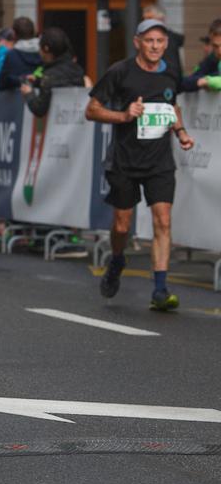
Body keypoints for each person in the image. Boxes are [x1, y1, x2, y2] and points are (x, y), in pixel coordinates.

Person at [86, 19, 195, 311]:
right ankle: (117, 259)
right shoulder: (120, 72)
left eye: (160, 41)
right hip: (125, 160)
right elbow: (91, 110)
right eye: (149, 41)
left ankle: (160, 289)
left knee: (163, 221)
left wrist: (181, 132)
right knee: (122, 225)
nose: (155, 46)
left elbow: (172, 106)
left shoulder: (171, 71)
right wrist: (124, 115)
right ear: (137, 42)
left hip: (160, 161)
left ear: (166, 44)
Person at [20, 27, 85, 117]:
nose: (39, 51)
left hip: (57, 126)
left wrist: (29, 93)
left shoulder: (49, 76)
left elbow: (40, 109)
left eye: (40, 47)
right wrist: (39, 81)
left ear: (46, 49)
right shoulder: (77, 69)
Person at [0, 17, 41, 90]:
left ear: (14, 34)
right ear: (34, 32)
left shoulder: (11, 55)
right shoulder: (44, 53)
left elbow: (1, 84)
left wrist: (19, 80)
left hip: (15, 99)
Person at [142, 4, 184, 78]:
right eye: (145, 19)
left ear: (161, 19)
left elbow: (171, 66)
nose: (146, 22)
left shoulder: (168, 39)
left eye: (149, 18)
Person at [188, 20, 221, 92]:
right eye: (215, 46)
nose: (219, 51)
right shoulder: (210, 60)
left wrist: (207, 81)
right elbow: (191, 80)